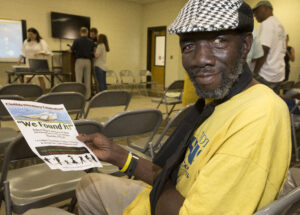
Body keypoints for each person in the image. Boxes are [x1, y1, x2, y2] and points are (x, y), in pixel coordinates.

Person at [24, 0, 291, 214]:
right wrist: (119, 156)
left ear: (245, 45)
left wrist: (158, 185)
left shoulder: (259, 114)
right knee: (88, 183)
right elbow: (178, 176)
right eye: (189, 46)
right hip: (161, 198)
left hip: (162, 203)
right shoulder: (218, 101)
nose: (200, 59)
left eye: (218, 41)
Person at [252, 0, 286, 93]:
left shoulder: (267, 23)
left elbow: (264, 50)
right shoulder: (279, 24)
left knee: (260, 103)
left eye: (256, 11)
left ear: (265, 8)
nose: (255, 15)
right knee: (273, 102)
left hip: (265, 75)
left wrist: (254, 73)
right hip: (277, 74)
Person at [71, 27, 94, 100]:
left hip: (79, 60)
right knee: (87, 80)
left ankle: (79, 97)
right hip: (88, 61)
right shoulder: (91, 41)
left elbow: (71, 50)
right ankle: (87, 97)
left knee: (79, 80)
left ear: (80, 32)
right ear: (87, 33)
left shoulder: (77, 40)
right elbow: (92, 51)